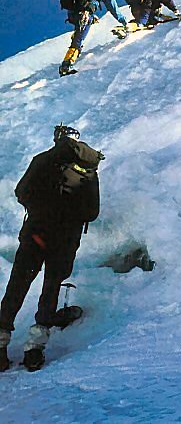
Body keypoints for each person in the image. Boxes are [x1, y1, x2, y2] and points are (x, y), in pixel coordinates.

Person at [0, 125, 103, 372]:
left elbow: (21, 192)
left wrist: (41, 210)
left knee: (17, 286)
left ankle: (1, 345)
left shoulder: (43, 160)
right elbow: (92, 211)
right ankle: (34, 349)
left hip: (36, 234)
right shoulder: (88, 168)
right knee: (51, 288)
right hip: (65, 241)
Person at [59, 0, 127, 76]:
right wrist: (123, 21)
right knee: (78, 40)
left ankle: (76, 39)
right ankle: (66, 65)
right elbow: (113, 8)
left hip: (72, 10)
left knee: (80, 31)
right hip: (85, 14)